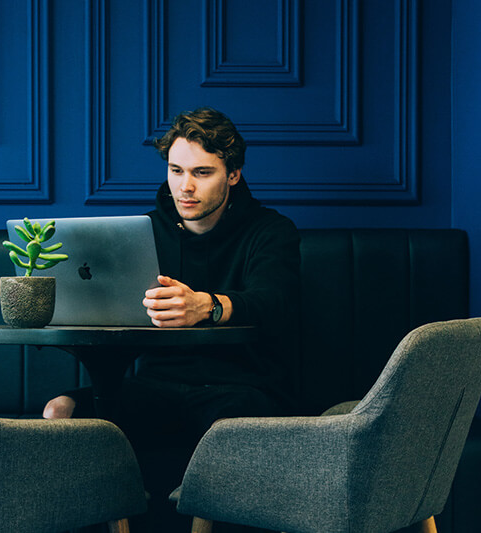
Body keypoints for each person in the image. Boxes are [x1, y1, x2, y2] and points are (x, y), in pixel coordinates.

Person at [43, 107, 301, 531]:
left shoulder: (270, 231)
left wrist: (208, 306)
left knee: (229, 428)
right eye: (176, 170)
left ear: (232, 174)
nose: (186, 187)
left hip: (241, 387)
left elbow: (275, 302)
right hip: (156, 387)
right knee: (60, 410)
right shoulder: (143, 231)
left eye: (202, 172)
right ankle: (109, 517)